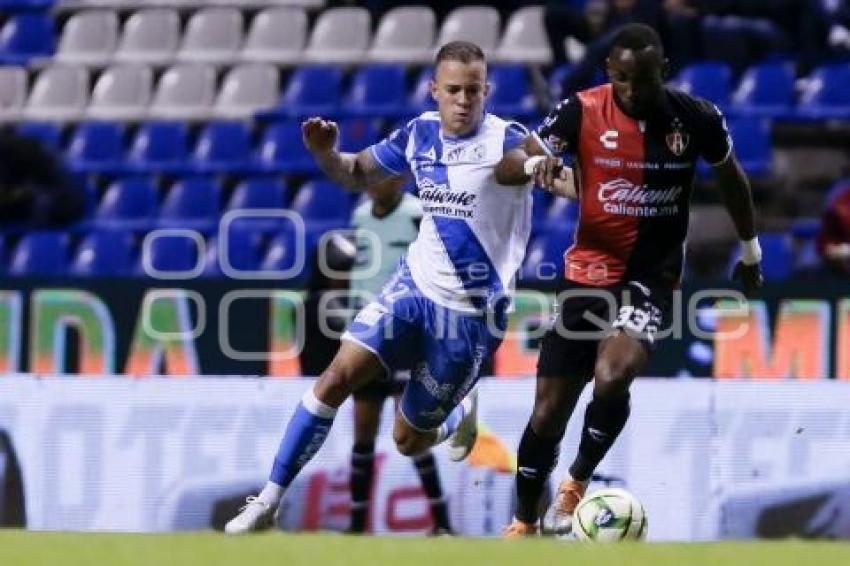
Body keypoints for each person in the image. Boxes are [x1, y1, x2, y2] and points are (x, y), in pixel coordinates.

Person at [224, 40, 534, 534]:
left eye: (473, 91)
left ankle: (457, 416)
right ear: (434, 90)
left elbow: (546, 170)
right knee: (334, 380)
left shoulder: (508, 138)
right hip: (411, 289)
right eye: (452, 89)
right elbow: (355, 173)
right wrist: (326, 154)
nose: (462, 100)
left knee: (408, 439)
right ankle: (268, 499)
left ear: (486, 91)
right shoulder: (419, 135)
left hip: (470, 314)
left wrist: (555, 173)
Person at [492, 23, 764, 536]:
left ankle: (576, 481)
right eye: (621, 80)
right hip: (586, 274)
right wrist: (534, 164)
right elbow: (506, 165)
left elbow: (731, 178)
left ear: (662, 71)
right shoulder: (580, 110)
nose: (632, 91)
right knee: (548, 413)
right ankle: (523, 523)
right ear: (609, 74)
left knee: (614, 374)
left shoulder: (697, 118)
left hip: (652, 276)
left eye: (641, 80)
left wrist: (750, 249)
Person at [345, 176, 453, 535]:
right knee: (363, 431)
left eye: (382, 176)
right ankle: (358, 526)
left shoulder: (417, 214)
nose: (374, 184)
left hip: (406, 332)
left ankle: (441, 523)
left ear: (400, 179)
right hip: (367, 332)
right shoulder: (360, 217)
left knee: (410, 430)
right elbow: (359, 273)